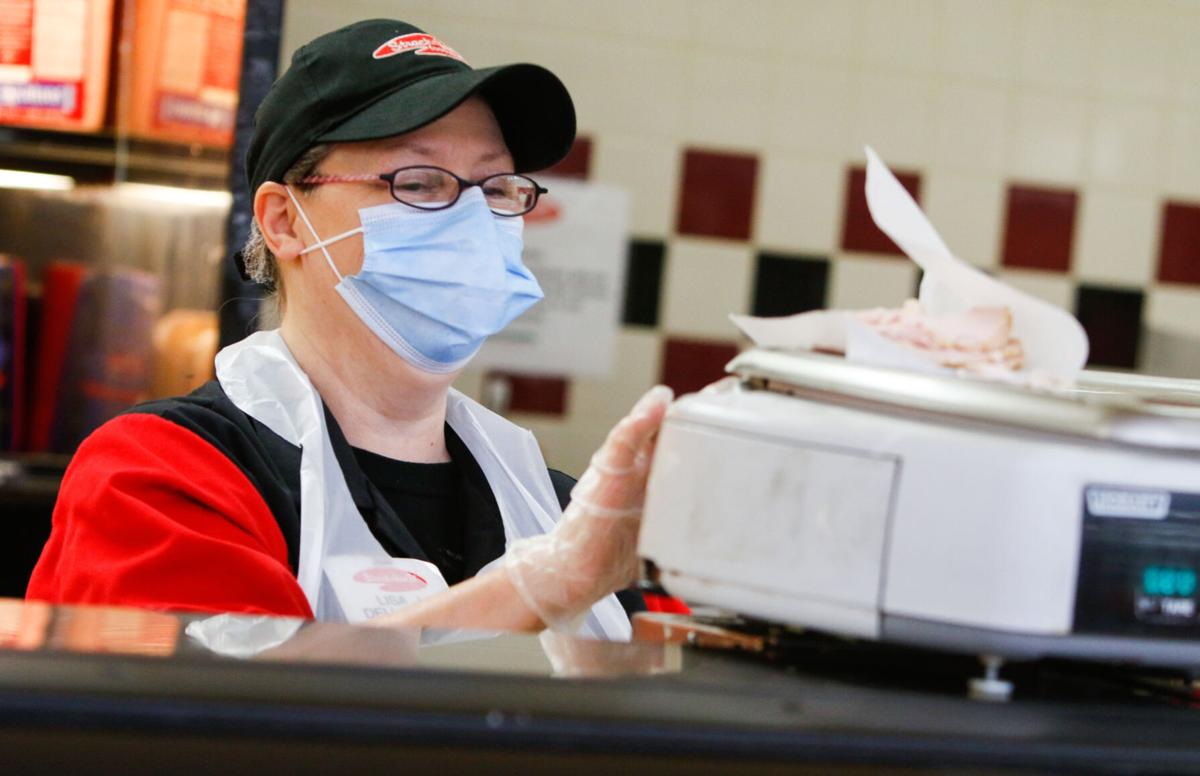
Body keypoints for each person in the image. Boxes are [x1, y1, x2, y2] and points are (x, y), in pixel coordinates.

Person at [26, 19, 673, 640]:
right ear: (283, 221)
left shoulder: (558, 512)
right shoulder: (162, 479)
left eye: (497, 188)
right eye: (419, 182)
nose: (474, 221)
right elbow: (227, 722)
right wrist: (538, 592)